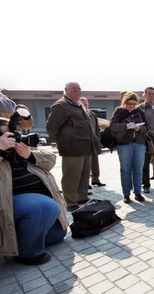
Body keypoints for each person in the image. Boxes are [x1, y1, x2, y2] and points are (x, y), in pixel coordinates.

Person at [0, 116, 69, 265]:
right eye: (9, 135)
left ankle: (26, 237)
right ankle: (27, 253)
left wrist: (29, 155)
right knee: (41, 206)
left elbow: (50, 159)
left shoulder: (20, 150)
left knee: (58, 235)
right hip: (18, 211)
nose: (15, 138)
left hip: (44, 213)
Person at [46, 82, 96, 211]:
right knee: (71, 176)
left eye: (79, 88)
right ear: (65, 90)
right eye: (74, 89)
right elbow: (51, 127)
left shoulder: (79, 104)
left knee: (84, 175)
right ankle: (70, 202)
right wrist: (63, 142)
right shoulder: (61, 105)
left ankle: (82, 197)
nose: (78, 91)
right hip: (72, 148)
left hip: (85, 146)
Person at [110, 92, 149, 204]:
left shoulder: (140, 112)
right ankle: (126, 194)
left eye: (134, 104)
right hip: (124, 144)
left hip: (139, 143)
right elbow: (112, 125)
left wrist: (139, 129)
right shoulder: (119, 111)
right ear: (124, 102)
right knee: (125, 170)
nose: (131, 106)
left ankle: (138, 193)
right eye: (129, 104)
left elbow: (147, 127)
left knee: (138, 169)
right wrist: (126, 126)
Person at [81, 97, 106, 187]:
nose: (85, 105)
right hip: (84, 143)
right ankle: (85, 183)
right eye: (83, 104)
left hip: (94, 141)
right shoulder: (79, 114)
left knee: (95, 162)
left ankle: (95, 179)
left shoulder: (92, 114)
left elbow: (97, 128)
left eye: (86, 104)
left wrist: (97, 137)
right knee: (85, 164)